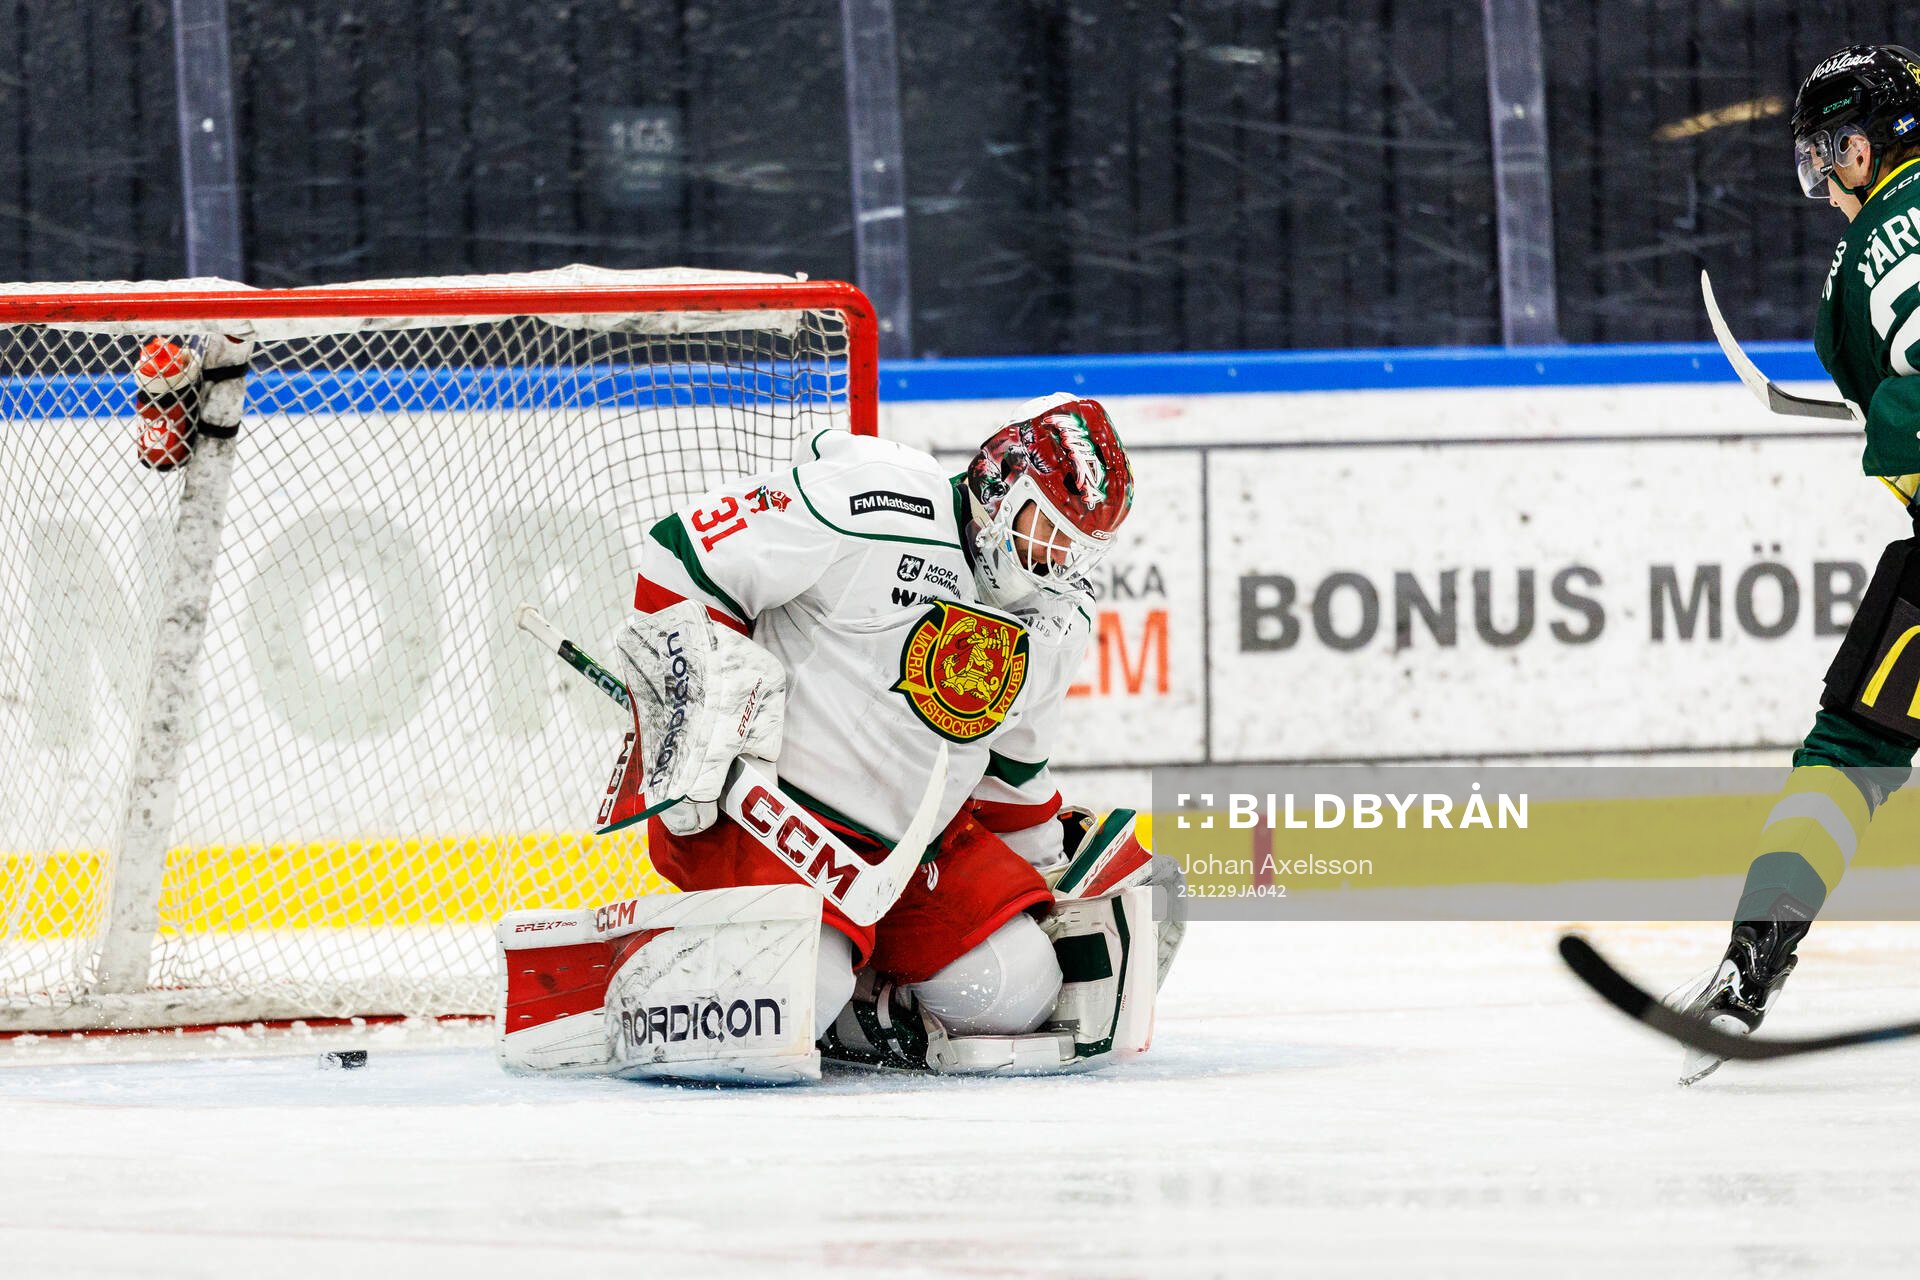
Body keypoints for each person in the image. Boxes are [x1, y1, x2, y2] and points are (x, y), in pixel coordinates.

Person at [615, 392, 1175, 1073]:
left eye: (1076, 550)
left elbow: (1012, 773)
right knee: (790, 998)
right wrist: (690, 726)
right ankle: (651, 969)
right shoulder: (875, 502)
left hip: (906, 853)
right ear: (1001, 484)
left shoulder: (1058, 620)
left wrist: (1050, 874)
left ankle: (861, 1001)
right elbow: (684, 554)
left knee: (1016, 988)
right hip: (768, 819)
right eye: (1046, 530)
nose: (1054, 563)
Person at [1680, 44, 1920, 1083]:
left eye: (1827, 155)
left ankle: (1749, 966)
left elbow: (1895, 422)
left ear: (1864, 148)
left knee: (1851, 752)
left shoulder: (1855, 264)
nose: (1824, 180)